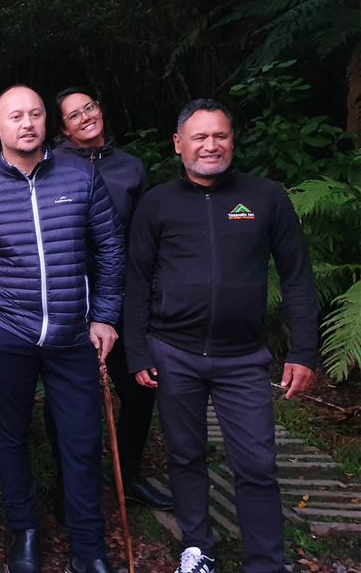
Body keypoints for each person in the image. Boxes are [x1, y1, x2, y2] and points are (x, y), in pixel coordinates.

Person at [125, 99, 319, 573]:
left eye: (220, 136)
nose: (211, 146)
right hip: (174, 353)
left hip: (243, 358)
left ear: (233, 139)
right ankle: (198, 547)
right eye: (199, 137)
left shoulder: (266, 197)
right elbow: (135, 279)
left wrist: (304, 351)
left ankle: (266, 561)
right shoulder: (157, 203)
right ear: (178, 144)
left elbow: (297, 276)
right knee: (186, 454)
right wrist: (136, 350)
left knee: (256, 463)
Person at [0, 85, 124, 573]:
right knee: (10, 436)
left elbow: (110, 248)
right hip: (8, 334)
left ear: (47, 122)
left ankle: (88, 547)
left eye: (35, 114)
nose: (27, 123)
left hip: (73, 335)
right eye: (15, 116)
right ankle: (24, 531)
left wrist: (105, 315)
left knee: (81, 439)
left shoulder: (81, 177)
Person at [42, 87, 172, 511]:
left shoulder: (131, 167)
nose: (85, 118)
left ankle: (127, 475)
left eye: (90, 108)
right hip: (69, 297)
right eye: (74, 115)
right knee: (70, 396)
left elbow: (142, 236)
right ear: (63, 128)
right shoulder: (52, 166)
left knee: (138, 390)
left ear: (101, 109)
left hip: (121, 296)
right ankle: (67, 485)